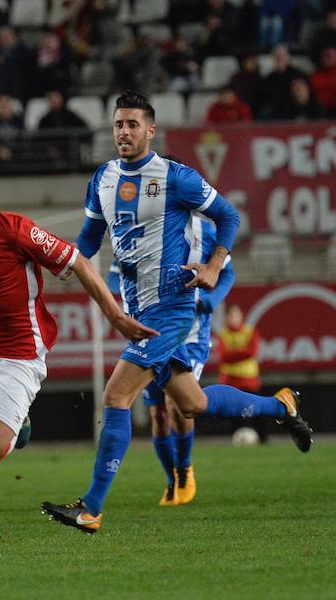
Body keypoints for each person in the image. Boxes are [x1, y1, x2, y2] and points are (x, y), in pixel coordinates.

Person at [40, 92, 313, 534]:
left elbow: (228, 217)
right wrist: (65, 262)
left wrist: (212, 264)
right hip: (138, 308)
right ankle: (279, 406)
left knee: (115, 396)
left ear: (150, 131)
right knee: (193, 403)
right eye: (118, 125)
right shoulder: (103, 179)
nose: (124, 132)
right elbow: (90, 237)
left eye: (133, 124)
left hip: (170, 311)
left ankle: (91, 508)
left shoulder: (175, 177)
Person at [0, 154, 158, 544]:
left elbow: (78, 262)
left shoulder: (16, 232)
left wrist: (115, 316)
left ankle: (18, 423)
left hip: (17, 354)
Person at [111, 215, 236, 507]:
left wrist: (210, 302)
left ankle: (185, 471)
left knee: (178, 405)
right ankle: (172, 481)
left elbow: (227, 273)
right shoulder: (137, 229)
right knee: (158, 415)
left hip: (189, 335)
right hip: (152, 332)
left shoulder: (203, 230)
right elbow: (115, 273)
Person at [217, 303, 267, 443]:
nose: (233, 318)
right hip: (230, 380)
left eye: (235, 314)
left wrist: (232, 355)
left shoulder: (249, 332)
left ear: (241, 316)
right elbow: (222, 357)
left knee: (257, 409)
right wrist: (241, 353)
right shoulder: (224, 334)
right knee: (233, 413)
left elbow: (251, 352)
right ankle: (235, 439)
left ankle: (263, 439)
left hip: (248, 378)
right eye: (230, 315)